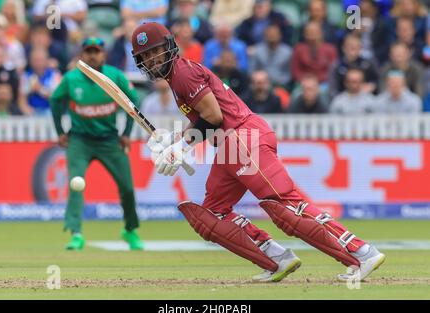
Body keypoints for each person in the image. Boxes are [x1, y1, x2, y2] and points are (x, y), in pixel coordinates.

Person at [131, 22, 386, 283]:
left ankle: (361, 253)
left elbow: (214, 117)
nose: (152, 60)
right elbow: (202, 116)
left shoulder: (183, 73)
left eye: (155, 51)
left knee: (286, 207)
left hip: (243, 139)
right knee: (213, 215)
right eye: (146, 56)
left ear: (169, 47)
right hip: (230, 148)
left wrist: (183, 147)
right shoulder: (177, 77)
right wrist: (174, 139)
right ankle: (277, 259)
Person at [50, 37, 144, 251]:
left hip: (110, 140)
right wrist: (60, 132)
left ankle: (130, 230)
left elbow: (134, 102)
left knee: (127, 187)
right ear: (81, 55)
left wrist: (127, 133)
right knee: (76, 184)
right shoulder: (71, 78)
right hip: (79, 140)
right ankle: (76, 234)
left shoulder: (114, 76)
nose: (92, 55)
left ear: (104, 54)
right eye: (88, 51)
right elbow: (55, 101)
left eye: (97, 51)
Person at [328, 33, 378, 97]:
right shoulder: (337, 66)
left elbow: (378, 80)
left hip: (366, 98)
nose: (353, 49)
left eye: (356, 47)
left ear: (360, 48)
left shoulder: (368, 63)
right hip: (343, 99)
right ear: (343, 48)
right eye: (350, 46)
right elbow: (333, 89)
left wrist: (372, 85)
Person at [19, 47, 62, 116]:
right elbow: (22, 100)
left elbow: (58, 99)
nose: (38, 63)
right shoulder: (26, 76)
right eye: (36, 60)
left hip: (50, 111)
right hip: (32, 112)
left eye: (41, 60)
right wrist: (28, 111)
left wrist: (40, 89)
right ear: (30, 61)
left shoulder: (55, 75)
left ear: (46, 60)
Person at [250, 23, 292, 89]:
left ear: (280, 35)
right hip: (260, 85)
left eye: (274, 34)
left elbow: (289, 74)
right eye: (269, 34)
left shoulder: (288, 52)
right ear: (264, 36)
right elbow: (252, 71)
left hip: (281, 86)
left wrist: (277, 82)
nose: (272, 36)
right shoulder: (257, 51)